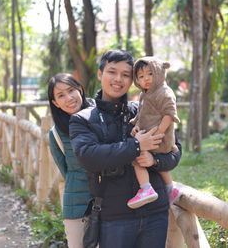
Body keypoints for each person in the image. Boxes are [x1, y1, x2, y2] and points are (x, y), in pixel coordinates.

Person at [69, 49, 182, 248]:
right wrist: (137, 146)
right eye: (112, 72)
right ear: (99, 74)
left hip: (155, 214)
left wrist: (155, 161)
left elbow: (174, 151)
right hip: (113, 217)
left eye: (126, 75)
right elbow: (89, 157)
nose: (118, 79)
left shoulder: (143, 109)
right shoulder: (83, 119)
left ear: (133, 80)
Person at [127, 56, 180, 209]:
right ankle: (170, 189)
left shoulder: (164, 92)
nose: (146, 79)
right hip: (149, 134)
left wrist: (159, 132)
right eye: (141, 76)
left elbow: (170, 114)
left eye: (150, 73)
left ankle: (146, 188)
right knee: (151, 158)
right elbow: (141, 113)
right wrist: (135, 124)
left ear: (159, 72)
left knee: (136, 156)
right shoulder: (145, 94)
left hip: (158, 137)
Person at [47, 73, 92, 248]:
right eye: (61, 95)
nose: (69, 98)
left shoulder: (100, 116)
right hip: (76, 206)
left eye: (71, 90)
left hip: (110, 203)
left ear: (80, 89)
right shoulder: (56, 134)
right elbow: (66, 170)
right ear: (55, 103)